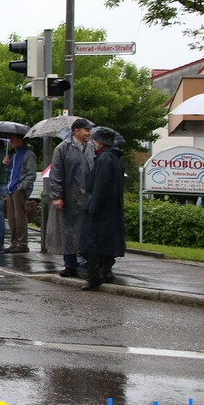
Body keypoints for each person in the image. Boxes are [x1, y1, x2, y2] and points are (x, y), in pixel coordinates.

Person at [48, 118, 96, 278]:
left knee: (86, 231)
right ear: (76, 131)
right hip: (69, 197)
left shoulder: (90, 147)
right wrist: (56, 196)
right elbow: (56, 174)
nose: (89, 133)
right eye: (86, 130)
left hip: (87, 197)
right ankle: (70, 264)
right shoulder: (63, 148)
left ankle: (88, 262)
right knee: (69, 231)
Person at [80, 126, 125, 291]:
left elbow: (100, 186)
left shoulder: (104, 159)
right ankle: (105, 271)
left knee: (93, 243)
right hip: (111, 209)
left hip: (100, 210)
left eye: (95, 140)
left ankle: (95, 276)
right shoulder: (115, 158)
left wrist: (93, 207)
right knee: (106, 243)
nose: (93, 143)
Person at [5, 133, 37, 253]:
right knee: (11, 218)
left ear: (20, 140)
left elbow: (31, 174)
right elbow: (11, 172)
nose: (11, 142)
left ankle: (22, 243)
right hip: (11, 188)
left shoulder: (29, 155)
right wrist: (7, 165)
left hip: (19, 189)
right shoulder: (14, 155)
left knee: (20, 217)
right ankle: (14, 242)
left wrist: (22, 187)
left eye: (13, 139)